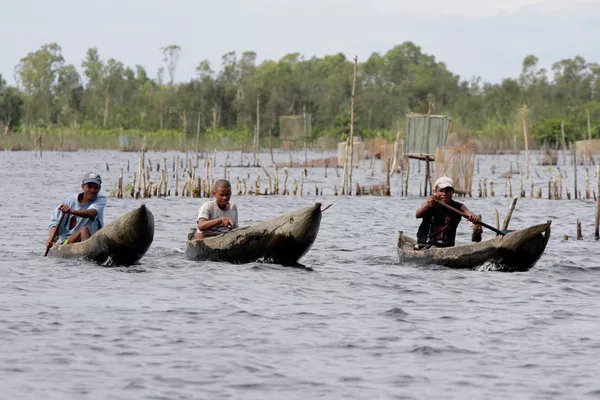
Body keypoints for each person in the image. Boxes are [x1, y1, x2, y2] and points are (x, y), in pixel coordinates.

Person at [46, 172, 107, 248]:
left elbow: (92, 213)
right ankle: (87, 252)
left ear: (99, 188)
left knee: (85, 230)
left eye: (95, 187)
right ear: (82, 187)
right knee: (83, 230)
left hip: (92, 241)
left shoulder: (100, 199)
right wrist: (51, 239)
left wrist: (71, 211)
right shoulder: (70, 201)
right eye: (89, 186)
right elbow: (55, 223)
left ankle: (87, 251)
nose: (92, 190)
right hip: (67, 242)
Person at [415, 176, 478, 248]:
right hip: (426, 244)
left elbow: (467, 212)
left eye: (448, 191)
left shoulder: (458, 206)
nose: (444, 193)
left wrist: (472, 216)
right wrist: (427, 206)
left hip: (447, 246)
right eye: (441, 191)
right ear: (436, 191)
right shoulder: (430, 203)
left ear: (452, 192)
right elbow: (417, 215)